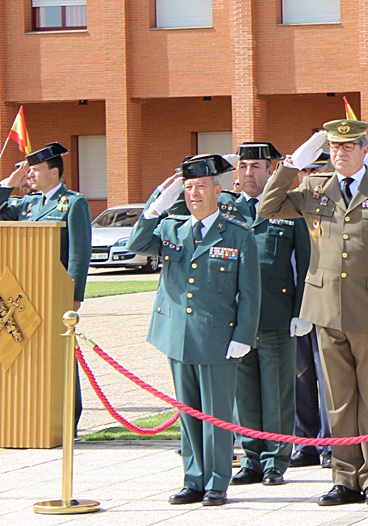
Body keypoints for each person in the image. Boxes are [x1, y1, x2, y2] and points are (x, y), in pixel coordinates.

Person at [258, 119, 368, 508]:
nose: (339, 154)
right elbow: (268, 208)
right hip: (326, 307)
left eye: (348, 147)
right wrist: (291, 166)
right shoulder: (314, 188)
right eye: (334, 147)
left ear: (366, 151)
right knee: (337, 398)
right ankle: (344, 478)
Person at [127, 154, 261, 506]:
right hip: (178, 335)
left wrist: (243, 336)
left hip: (218, 337)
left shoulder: (237, 234)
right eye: (187, 187)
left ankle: (217, 482)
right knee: (188, 413)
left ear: (217, 190)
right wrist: (157, 206)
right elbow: (136, 245)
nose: (193, 194)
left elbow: (249, 292)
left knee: (216, 415)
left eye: (200, 186)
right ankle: (193, 479)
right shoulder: (171, 229)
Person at [212, 143, 312, 488]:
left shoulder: (288, 208)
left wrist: (302, 311)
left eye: (256, 166)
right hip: (236, 318)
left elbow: (308, 263)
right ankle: (251, 458)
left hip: (275, 314)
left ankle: (275, 460)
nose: (248, 173)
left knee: (277, 393)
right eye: (243, 167)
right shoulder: (224, 207)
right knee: (245, 393)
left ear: (271, 172)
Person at [0, 142, 93, 428]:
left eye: (36, 170)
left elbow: (79, 252)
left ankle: (67, 418)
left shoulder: (73, 203)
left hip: (55, 293)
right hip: (26, 293)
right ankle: (35, 413)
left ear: (54, 172)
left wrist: (74, 294)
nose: (30, 175)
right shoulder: (25, 204)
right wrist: (8, 184)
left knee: (62, 356)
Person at [290, 155, 333, 470]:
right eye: (307, 173)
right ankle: (304, 441)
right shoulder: (291, 211)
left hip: (328, 306)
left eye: (319, 173)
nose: (312, 180)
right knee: (301, 378)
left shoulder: (334, 212)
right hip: (296, 307)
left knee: (330, 378)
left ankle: (331, 442)